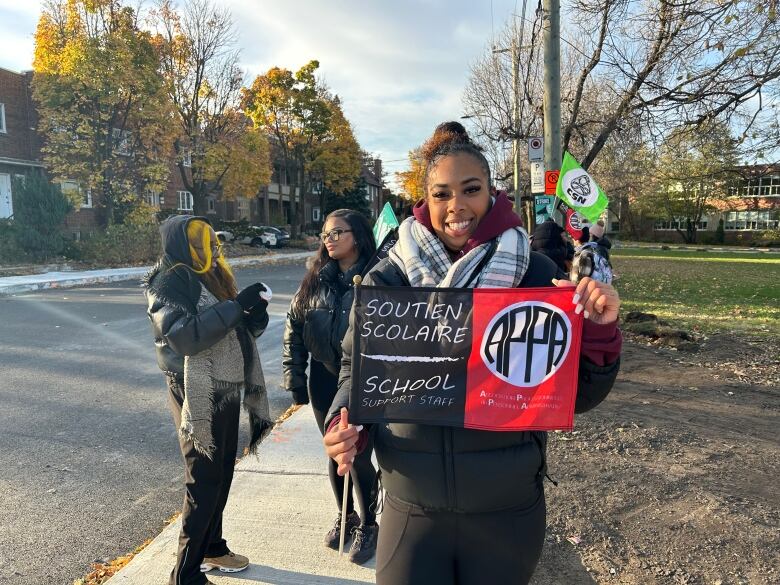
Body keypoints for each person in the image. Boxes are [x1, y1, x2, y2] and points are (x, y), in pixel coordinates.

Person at [323, 122, 622, 585]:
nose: (456, 206)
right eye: (442, 194)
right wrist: (346, 423)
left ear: (491, 195)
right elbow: (357, 371)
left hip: (507, 510)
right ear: (425, 202)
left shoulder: (535, 276)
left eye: (471, 190)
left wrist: (599, 333)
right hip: (411, 505)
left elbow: (577, 394)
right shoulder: (391, 278)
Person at [143, 215, 273, 585]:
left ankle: (212, 547)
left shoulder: (209, 275)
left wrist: (253, 314)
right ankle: (185, 575)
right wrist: (234, 309)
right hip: (195, 390)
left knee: (222, 472)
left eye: (212, 241)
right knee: (203, 479)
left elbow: (232, 332)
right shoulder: (166, 280)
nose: (212, 248)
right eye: (201, 241)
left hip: (226, 383)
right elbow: (185, 337)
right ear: (180, 243)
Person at [282, 209, 380, 564]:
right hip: (323, 379)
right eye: (326, 233)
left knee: (358, 454)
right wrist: (293, 374)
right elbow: (294, 324)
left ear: (358, 236)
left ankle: (369, 523)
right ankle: (345, 514)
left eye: (339, 232)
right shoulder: (315, 279)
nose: (330, 239)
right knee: (334, 451)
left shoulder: (376, 275)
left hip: (361, 378)